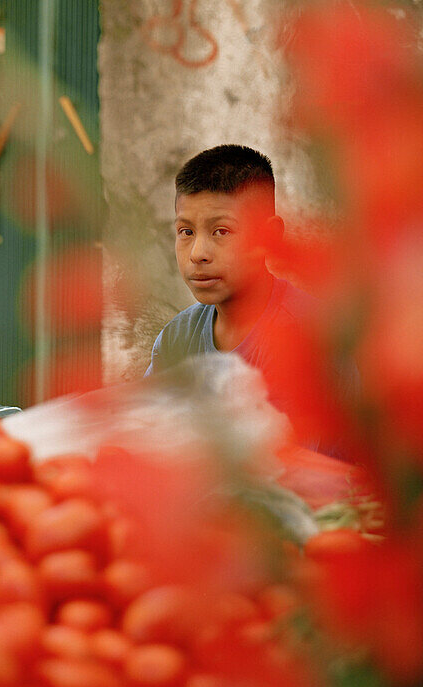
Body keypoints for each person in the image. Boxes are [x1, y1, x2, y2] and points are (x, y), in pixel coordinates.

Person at [146, 143, 355, 456]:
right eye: (186, 232)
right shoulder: (176, 339)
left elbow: (314, 476)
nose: (198, 253)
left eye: (221, 231)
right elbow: (147, 442)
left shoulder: (312, 335)